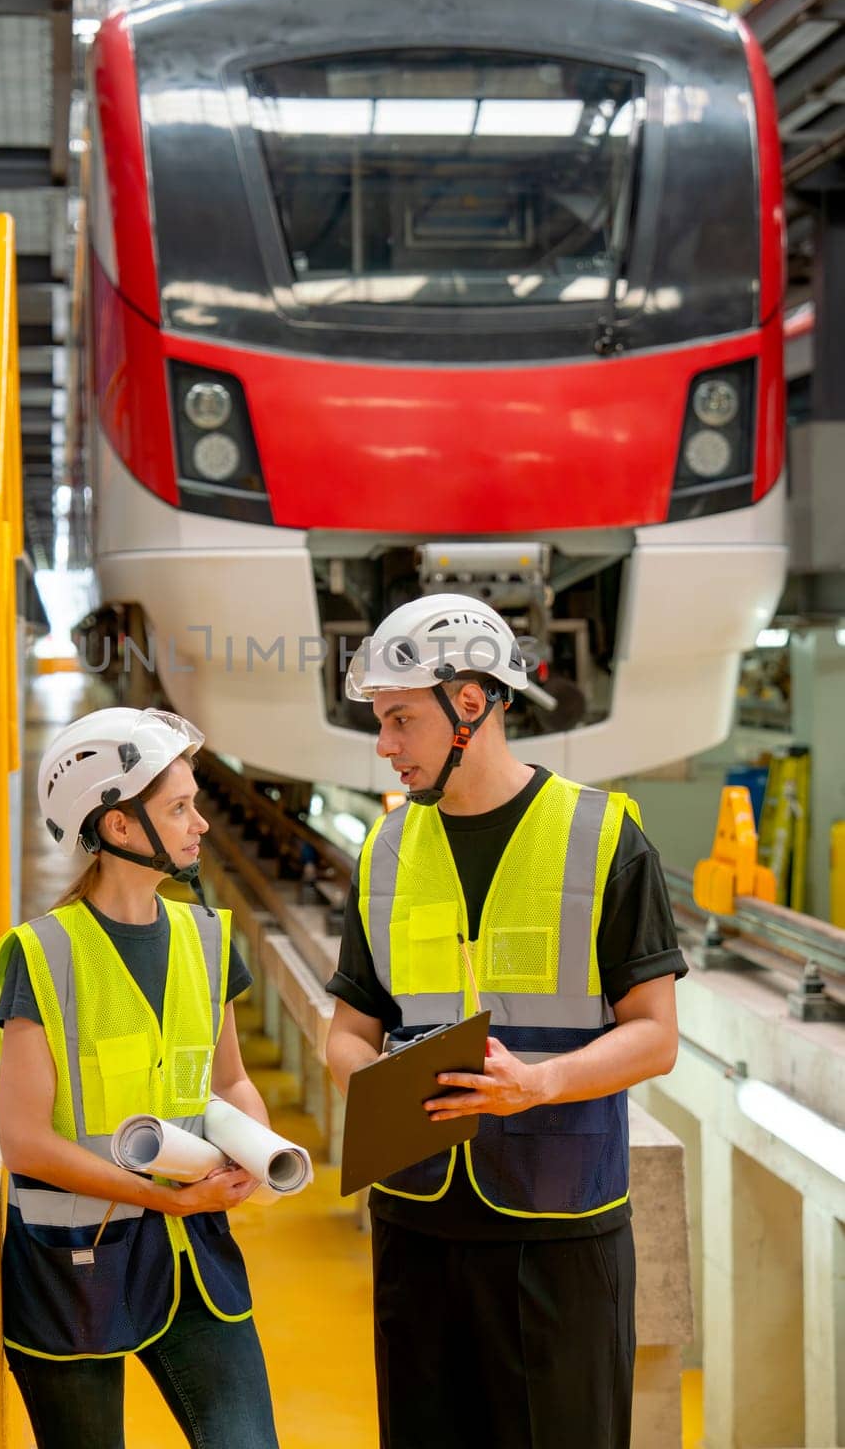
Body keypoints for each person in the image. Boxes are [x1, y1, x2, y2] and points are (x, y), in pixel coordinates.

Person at [325, 594, 687, 1449]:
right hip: (415, 1225)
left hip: (557, 1230)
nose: (384, 745)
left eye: (400, 720)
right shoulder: (383, 850)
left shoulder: (604, 837)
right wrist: (375, 1089)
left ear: (472, 704)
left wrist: (541, 1083)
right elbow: (347, 1032)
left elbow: (656, 1034)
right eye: (380, 721)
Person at [0, 706, 280, 1449]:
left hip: (194, 1266)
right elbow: (24, 1142)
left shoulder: (206, 938)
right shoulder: (40, 954)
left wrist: (256, 1147)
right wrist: (162, 1200)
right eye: (179, 807)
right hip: (74, 1274)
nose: (200, 824)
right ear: (118, 827)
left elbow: (231, 1082)